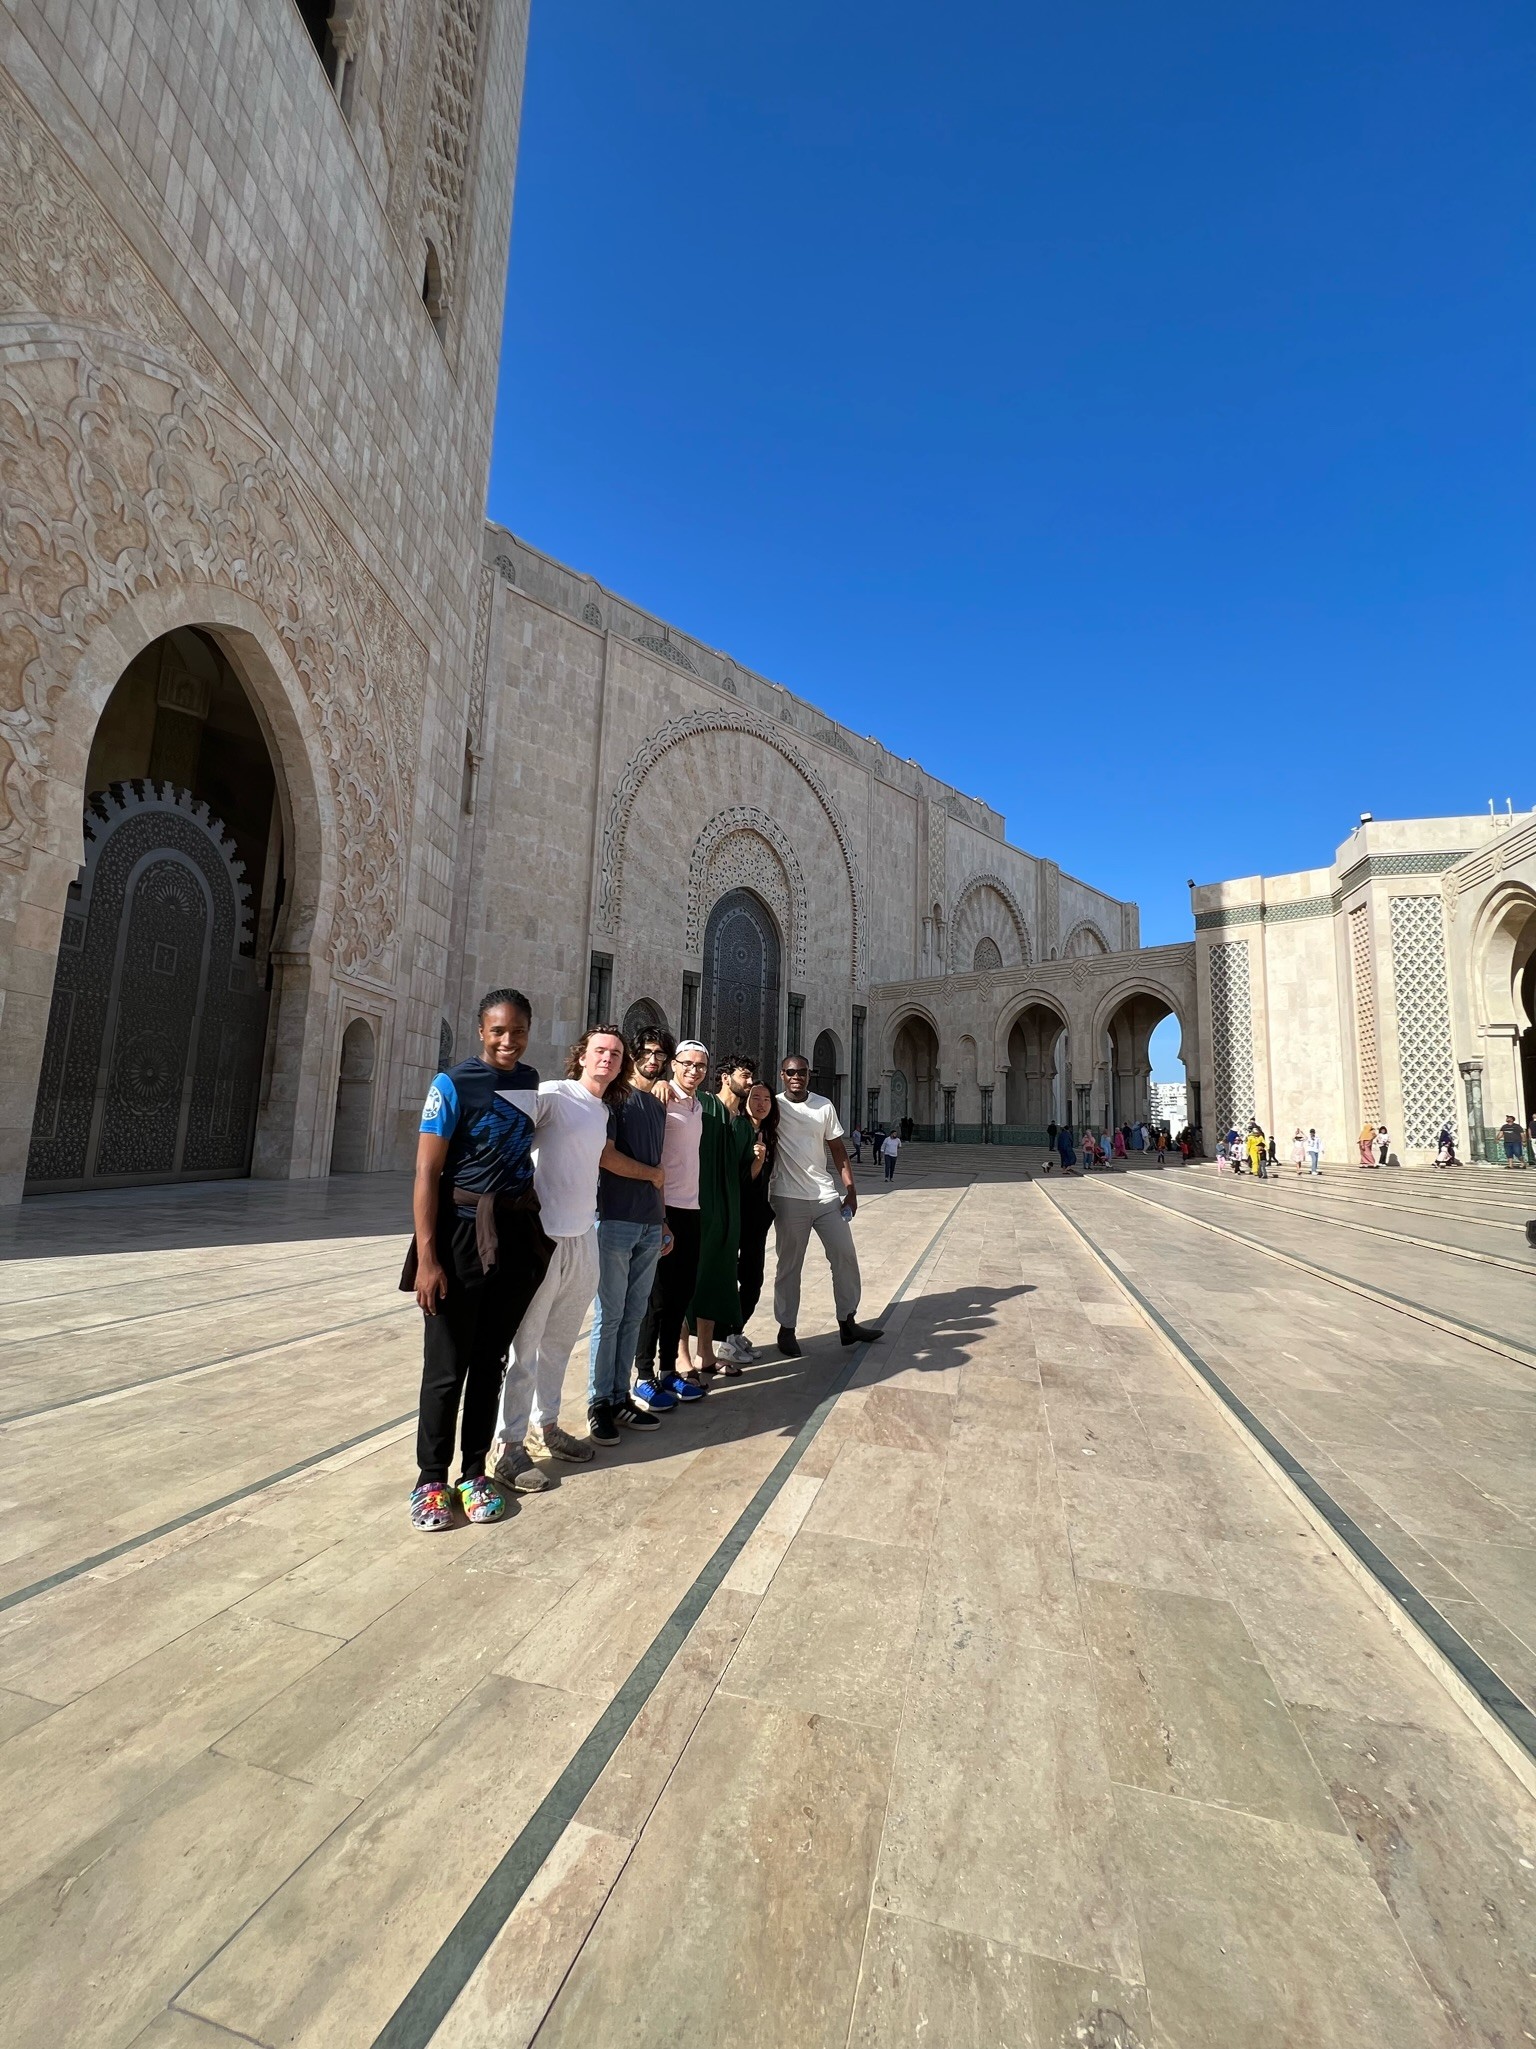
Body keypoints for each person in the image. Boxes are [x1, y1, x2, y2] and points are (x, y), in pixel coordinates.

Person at [404, 988, 553, 1532]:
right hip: (460, 1237)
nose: (507, 1041)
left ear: (528, 1031)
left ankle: (473, 1471)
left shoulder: (530, 1081)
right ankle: (430, 1479)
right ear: (480, 1032)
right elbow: (426, 1174)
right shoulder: (451, 1085)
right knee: (446, 1368)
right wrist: (428, 1258)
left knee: (490, 1362)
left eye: (517, 1031)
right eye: (497, 1031)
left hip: (511, 1236)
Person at [492, 1027, 664, 1490]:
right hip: (542, 1238)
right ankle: (509, 1448)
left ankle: (546, 1425)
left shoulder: (603, 1109)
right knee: (525, 1347)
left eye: (615, 1054)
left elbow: (600, 1159)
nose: (607, 1059)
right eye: (599, 1052)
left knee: (560, 1342)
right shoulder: (555, 1094)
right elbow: (503, 1124)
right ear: (582, 1057)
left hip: (582, 1237)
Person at [585, 1027, 671, 1446]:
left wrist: (664, 1220)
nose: (654, 1060)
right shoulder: (615, 1100)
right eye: (648, 1052)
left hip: (649, 1223)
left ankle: (621, 1397)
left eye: (661, 1054)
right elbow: (607, 1156)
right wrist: (651, 1175)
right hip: (616, 1218)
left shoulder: (657, 1107)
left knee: (634, 1314)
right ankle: (599, 1401)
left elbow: (659, 1167)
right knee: (610, 1314)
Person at [771, 1053, 884, 1355]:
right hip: (788, 1196)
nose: (797, 1077)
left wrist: (851, 1189)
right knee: (789, 1266)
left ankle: (847, 1321)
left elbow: (837, 1149)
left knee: (844, 1255)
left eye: (803, 1072)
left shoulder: (823, 1106)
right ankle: (786, 1328)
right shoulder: (774, 1106)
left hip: (824, 1196)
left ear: (809, 1075)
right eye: (791, 1072)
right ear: (782, 1075)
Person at [633, 1039, 712, 1403]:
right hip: (664, 1210)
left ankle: (668, 1370)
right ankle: (644, 1374)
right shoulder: (661, 1097)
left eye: (700, 1065)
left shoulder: (697, 1106)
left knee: (681, 1295)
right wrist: (660, 1214)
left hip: (691, 1209)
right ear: (674, 1065)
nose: (693, 1070)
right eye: (687, 1064)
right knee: (658, 1298)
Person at [686, 1056, 764, 1376]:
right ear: (724, 1077)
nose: (749, 1082)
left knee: (717, 1283)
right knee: (686, 1282)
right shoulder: (701, 1104)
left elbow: (745, 1176)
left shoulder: (744, 1126)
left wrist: (759, 1159)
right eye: (744, 1076)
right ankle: (679, 1358)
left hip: (728, 1216)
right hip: (696, 1210)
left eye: (751, 1077)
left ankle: (705, 1355)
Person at [718, 1080, 778, 1368]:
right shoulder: (738, 1130)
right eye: (756, 1097)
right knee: (735, 1278)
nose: (762, 1103)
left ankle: (734, 1331)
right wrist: (757, 1162)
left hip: (757, 1218)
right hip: (737, 1215)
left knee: (753, 1280)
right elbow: (740, 1180)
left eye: (767, 1098)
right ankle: (725, 1338)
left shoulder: (767, 1133)